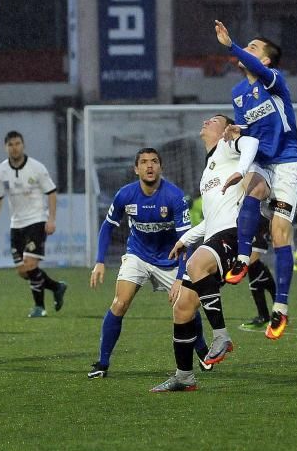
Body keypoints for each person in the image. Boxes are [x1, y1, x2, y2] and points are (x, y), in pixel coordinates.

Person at [151, 114, 260, 392]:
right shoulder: (209, 167)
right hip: (214, 234)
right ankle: (184, 376)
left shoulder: (228, 146)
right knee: (183, 308)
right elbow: (210, 218)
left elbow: (251, 142)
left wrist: (242, 167)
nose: (206, 122)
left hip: (234, 234)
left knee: (198, 263)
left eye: (213, 120)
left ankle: (221, 336)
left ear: (225, 130)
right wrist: (185, 239)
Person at [88, 147, 208, 379]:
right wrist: (99, 261)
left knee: (186, 306)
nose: (149, 166)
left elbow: (186, 241)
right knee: (119, 303)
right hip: (138, 255)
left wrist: (182, 277)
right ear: (136, 169)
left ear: (161, 167)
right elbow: (107, 226)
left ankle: (202, 349)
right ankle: (102, 363)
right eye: (143, 162)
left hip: (171, 257)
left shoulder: (174, 196)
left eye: (154, 161)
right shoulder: (125, 194)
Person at [215, 20, 297, 340]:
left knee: (280, 235)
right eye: (246, 47)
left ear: (265, 61)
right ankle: (241, 258)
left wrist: (231, 44)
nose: (247, 52)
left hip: (287, 162)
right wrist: (239, 131)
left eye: (253, 48)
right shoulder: (239, 93)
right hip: (263, 160)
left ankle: (280, 310)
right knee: (249, 189)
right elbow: (250, 135)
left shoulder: (274, 81)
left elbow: (248, 58)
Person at [0, 130, 67, 318]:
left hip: (37, 220)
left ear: (23, 145)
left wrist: (51, 219)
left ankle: (40, 307)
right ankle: (57, 287)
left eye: (17, 144)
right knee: (23, 271)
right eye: (11, 145)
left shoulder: (36, 168)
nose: (14, 148)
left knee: (30, 265)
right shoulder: (1, 171)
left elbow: (52, 192)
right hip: (17, 224)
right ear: (5, 147)